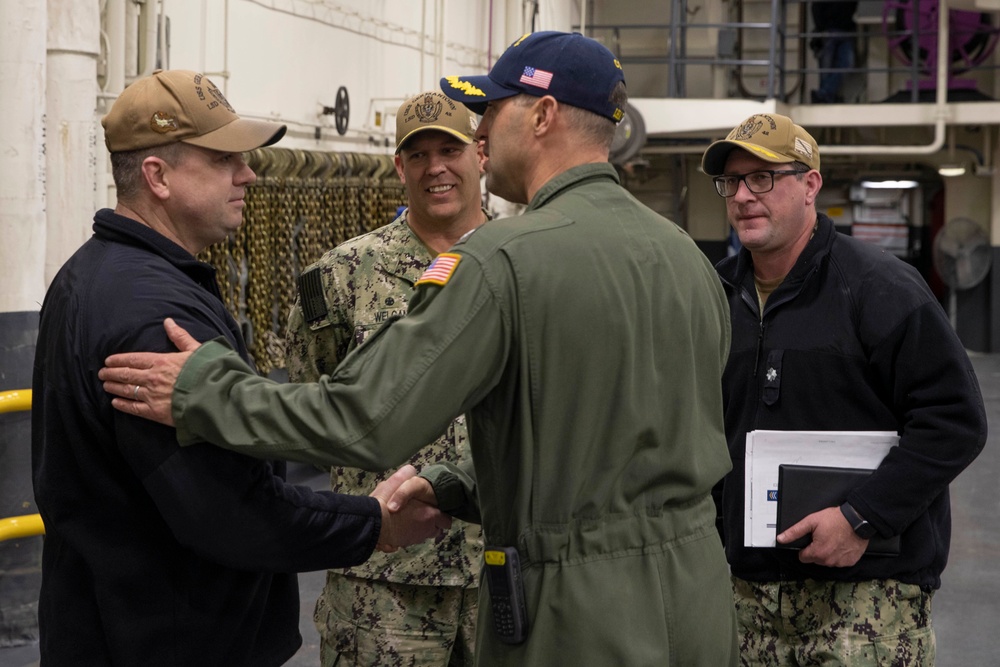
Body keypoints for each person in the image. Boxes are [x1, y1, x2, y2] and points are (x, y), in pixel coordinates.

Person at [99, 32, 739, 666]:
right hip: (697, 597)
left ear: (543, 115)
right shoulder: (689, 260)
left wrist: (205, 390)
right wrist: (461, 486)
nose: (481, 133)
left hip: (579, 614)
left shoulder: (503, 261)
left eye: (492, 110)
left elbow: (363, 419)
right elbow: (616, 452)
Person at [31, 69, 447, 666]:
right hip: (173, 641)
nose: (248, 173)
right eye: (224, 158)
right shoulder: (157, 317)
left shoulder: (92, 275)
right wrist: (371, 523)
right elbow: (231, 512)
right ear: (158, 177)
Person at [701, 112, 987, 665]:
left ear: (810, 185)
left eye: (762, 178)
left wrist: (862, 516)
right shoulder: (715, 296)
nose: (742, 196)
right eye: (731, 182)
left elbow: (955, 421)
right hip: (745, 599)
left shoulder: (879, 288)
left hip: (866, 603)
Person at [285, 90, 486, 666]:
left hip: (503, 565)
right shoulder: (343, 275)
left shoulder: (525, 261)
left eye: (449, 149)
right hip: (383, 585)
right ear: (399, 167)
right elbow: (310, 404)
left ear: (480, 155)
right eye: (417, 155)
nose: (435, 167)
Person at [810, 1, 858, 104]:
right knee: (829, 68)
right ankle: (826, 96)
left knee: (844, 65)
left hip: (842, 31)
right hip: (832, 31)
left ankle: (823, 94)